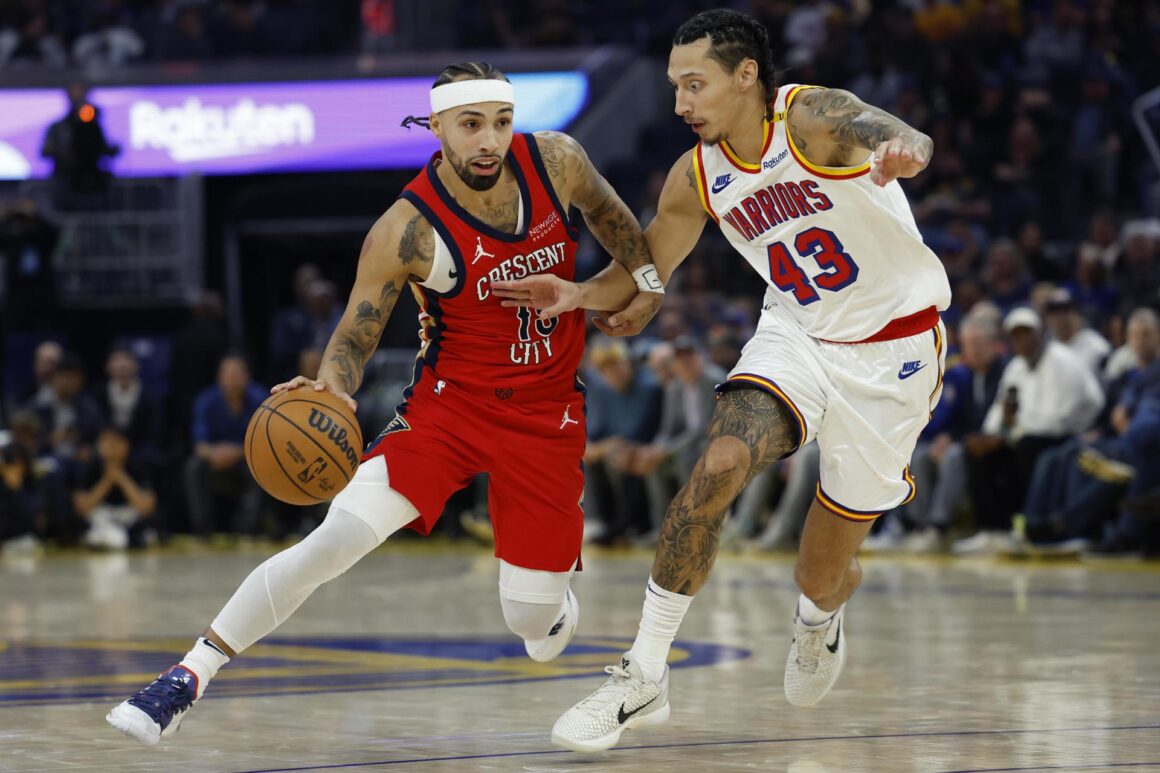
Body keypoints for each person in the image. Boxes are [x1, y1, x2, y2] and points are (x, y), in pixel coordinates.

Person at [106, 61, 663, 746]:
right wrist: (331, 385)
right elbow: (355, 333)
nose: (488, 140)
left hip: (547, 417)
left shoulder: (558, 160)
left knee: (534, 628)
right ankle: (189, 673)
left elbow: (620, 232)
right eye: (470, 125)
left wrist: (637, 286)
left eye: (499, 121)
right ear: (437, 129)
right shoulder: (406, 229)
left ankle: (548, 605)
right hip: (449, 410)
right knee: (336, 536)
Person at [492, 9, 951, 751]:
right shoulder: (697, 175)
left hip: (891, 356)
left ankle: (819, 619)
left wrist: (903, 151)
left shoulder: (811, 118)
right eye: (676, 86)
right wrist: (579, 294)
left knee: (820, 572)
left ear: (746, 77)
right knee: (721, 460)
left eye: (695, 84)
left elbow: (898, 132)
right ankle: (642, 675)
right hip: (796, 333)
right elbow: (647, 270)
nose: (681, 102)